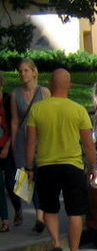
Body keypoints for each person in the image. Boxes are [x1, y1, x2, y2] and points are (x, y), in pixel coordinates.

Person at [24, 68, 97, 251]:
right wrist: (94, 167)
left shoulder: (38, 109)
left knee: (49, 208)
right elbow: (88, 144)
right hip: (72, 166)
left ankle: (56, 241)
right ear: (70, 86)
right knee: (75, 212)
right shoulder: (78, 110)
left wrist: (29, 168)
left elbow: (30, 143)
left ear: (50, 84)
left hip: (47, 165)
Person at [10, 58, 50, 230]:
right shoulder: (15, 94)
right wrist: (12, 144)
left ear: (34, 72)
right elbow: (15, 121)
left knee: (41, 176)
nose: (22, 74)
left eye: (26, 70)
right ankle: (38, 212)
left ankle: (40, 215)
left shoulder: (44, 92)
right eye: (20, 71)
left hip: (41, 138)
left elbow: (49, 118)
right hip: (22, 140)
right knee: (27, 179)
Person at [0, 75, 20, 232]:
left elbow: (15, 124)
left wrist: (7, 146)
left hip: (8, 146)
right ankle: (5, 220)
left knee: (10, 183)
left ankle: (18, 208)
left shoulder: (8, 99)